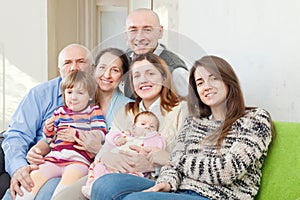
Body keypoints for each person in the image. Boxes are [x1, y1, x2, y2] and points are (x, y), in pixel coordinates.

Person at [90, 55, 274, 200]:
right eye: (200, 83)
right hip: (181, 190)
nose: (207, 86)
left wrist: (171, 158)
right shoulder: (194, 121)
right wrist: (167, 182)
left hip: (218, 196)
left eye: (213, 79)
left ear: (228, 81)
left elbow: (227, 171)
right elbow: (174, 165)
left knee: (135, 199)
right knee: (105, 184)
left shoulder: (255, 119)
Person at [0, 43, 102, 200]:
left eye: (81, 61)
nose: (74, 67)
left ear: (93, 68)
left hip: (77, 163)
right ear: (59, 69)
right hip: (43, 161)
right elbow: (16, 135)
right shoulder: (40, 94)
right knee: (22, 189)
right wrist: (19, 168)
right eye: (67, 63)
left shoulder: (99, 96)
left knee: (53, 191)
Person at [50, 48, 134, 200]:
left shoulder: (129, 108)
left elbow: (125, 153)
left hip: (99, 168)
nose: (106, 75)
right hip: (64, 160)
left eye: (114, 70)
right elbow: (60, 126)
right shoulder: (79, 96)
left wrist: (96, 148)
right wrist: (40, 146)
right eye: (102, 68)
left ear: (122, 76)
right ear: (94, 69)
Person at [15, 70, 107, 200]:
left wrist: (77, 135)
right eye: (69, 92)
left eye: (80, 93)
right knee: (29, 187)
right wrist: (49, 129)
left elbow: (101, 134)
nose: (73, 97)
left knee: (63, 193)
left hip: (78, 161)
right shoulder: (59, 112)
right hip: (54, 158)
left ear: (90, 95)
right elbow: (50, 139)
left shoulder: (93, 111)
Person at [81, 111, 166, 199]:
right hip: (112, 162)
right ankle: (92, 186)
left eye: (152, 126)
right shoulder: (124, 135)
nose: (147, 127)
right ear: (133, 128)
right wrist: (117, 139)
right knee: (99, 168)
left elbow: (157, 153)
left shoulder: (153, 140)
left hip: (132, 168)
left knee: (127, 178)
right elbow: (109, 138)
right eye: (143, 124)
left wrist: (145, 152)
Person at [123, 8, 189, 99]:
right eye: (133, 30)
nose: (139, 37)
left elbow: (192, 108)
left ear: (160, 32)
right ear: (126, 34)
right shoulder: (123, 60)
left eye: (147, 30)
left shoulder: (176, 71)